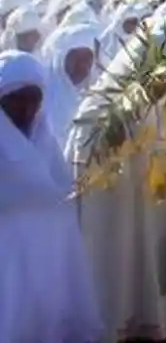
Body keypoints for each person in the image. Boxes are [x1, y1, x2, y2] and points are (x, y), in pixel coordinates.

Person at [0, 50, 104, 342]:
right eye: (17, 98)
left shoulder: (47, 148)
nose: (26, 107)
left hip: (48, 265)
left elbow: (61, 201)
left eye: (33, 99)